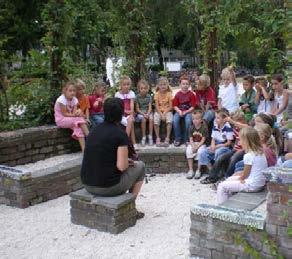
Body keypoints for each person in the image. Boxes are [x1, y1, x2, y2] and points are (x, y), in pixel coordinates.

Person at [80, 98, 145, 217]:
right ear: (121, 114)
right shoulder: (120, 134)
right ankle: (131, 209)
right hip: (108, 187)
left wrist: (123, 160)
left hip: (87, 183)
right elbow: (122, 167)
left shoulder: (94, 130)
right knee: (140, 166)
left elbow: (102, 155)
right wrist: (126, 161)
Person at [217, 127, 268, 204]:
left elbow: (245, 174)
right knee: (228, 180)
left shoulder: (249, 155)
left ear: (246, 141)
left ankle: (222, 208)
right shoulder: (260, 152)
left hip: (252, 185)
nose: (239, 142)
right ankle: (229, 203)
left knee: (222, 186)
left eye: (241, 140)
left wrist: (240, 178)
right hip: (259, 183)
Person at [200, 110, 247, 184]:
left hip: (244, 150)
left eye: (235, 121)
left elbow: (247, 127)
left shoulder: (246, 128)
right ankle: (212, 178)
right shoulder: (235, 128)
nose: (234, 124)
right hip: (235, 149)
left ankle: (226, 177)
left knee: (233, 159)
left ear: (241, 120)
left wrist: (232, 121)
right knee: (221, 158)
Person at [196, 109, 234, 179]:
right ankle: (212, 171)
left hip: (225, 146)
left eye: (218, 118)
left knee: (218, 152)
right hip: (216, 144)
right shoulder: (215, 125)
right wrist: (213, 145)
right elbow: (213, 138)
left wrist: (217, 146)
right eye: (215, 117)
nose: (216, 119)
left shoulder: (227, 127)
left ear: (224, 119)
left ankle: (218, 172)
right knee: (202, 152)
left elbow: (229, 143)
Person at [54, 81, 89, 151]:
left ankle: (84, 150)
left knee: (78, 129)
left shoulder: (75, 99)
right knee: (79, 119)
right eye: (70, 91)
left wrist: (78, 113)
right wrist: (78, 116)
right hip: (61, 120)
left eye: (74, 91)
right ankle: (90, 136)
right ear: (65, 91)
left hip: (70, 120)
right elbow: (65, 114)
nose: (72, 93)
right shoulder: (61, 99)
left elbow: (74, 114)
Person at [173, 76, 197, 146]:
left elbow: (193, 107)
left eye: (187, 84)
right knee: (175, 120)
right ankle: (178, 139)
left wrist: (186, 112)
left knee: (188, 121)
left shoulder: (191, 94)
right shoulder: (177, 94)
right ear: (180, 85)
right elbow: (175, 106)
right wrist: (179, 111)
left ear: (189, 85)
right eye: (183, 84)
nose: (185, 85)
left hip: (188, 111)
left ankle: (187, 139)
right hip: (179, 111)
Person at [186, 110, 209, 179]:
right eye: (193, 119)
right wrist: (193, 146)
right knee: (188, 151)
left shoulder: (204, 128)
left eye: (197, 119)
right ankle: (191, 170)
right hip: (193, 143)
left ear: (201, 119)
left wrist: (197, 147)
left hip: (201, 144)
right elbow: (190, 138)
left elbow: (203, 139)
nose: (195, 120)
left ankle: (198, 170)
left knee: (200, 152)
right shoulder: (191, 127)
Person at [115, 76, 136, 144]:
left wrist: (131, 111)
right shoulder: (117, 94)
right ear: (121, 85)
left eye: (128, 84)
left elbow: (132, 104)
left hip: (130, 113)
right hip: (121, 114)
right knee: (129, 124)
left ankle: (125, 140)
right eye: (124, 84)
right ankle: (132, 142)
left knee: (130, 120)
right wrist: (124, 111)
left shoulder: (131, 93)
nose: (126, 86)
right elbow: (117, 106)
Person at [153, 77, 173, 146]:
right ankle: (158, 138)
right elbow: (156, 106)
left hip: (167, 111)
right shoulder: (157, 94)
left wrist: (164, 113)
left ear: (167, 85)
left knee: (169, 121)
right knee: (155, 120)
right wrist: (161, 114)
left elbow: (171, 106)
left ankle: (167, 138)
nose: (163, 86)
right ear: (158, 86)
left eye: (164, 84)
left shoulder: (169, 94)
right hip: (159, 111)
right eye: (161, 85)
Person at [135, 79, 154, 146]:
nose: (143, 90)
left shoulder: (149, 96)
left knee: (151, 119)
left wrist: (148, 114)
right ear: (139, 89)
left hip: (148, 112)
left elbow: (150, 107)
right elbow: (137, 109)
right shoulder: (137, 97)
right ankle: (143, 136)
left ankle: (150, 136)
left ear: (147, 89)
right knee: (143, 119)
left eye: (145, 88)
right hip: (141, 113)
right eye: (141, 88)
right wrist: (144, 114)